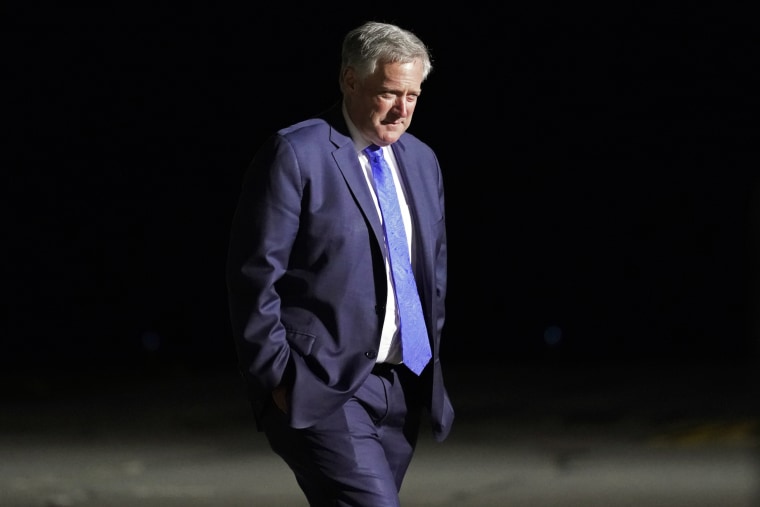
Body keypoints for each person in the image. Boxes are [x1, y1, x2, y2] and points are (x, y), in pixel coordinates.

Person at [226, 20, 454, 506]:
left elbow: (430, 275)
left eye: (414, 95)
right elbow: (254, 277)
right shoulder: (297, 153)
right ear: (350, 80)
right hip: (322, 386)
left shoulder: (421, 160)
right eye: (390, 92)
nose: (403, 110)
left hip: (402, 385)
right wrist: (278, 379)